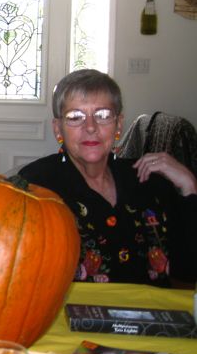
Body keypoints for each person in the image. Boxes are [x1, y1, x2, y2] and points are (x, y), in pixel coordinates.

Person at [19, 69, 197, 286]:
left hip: (150, 316)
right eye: (75, 117)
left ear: (119, 125)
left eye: (103, 115)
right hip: (72, 317)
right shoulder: (35, 186)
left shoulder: (150, 181)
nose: (91, 127)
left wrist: (189, 186)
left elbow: (188, 270)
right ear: (58, 129)